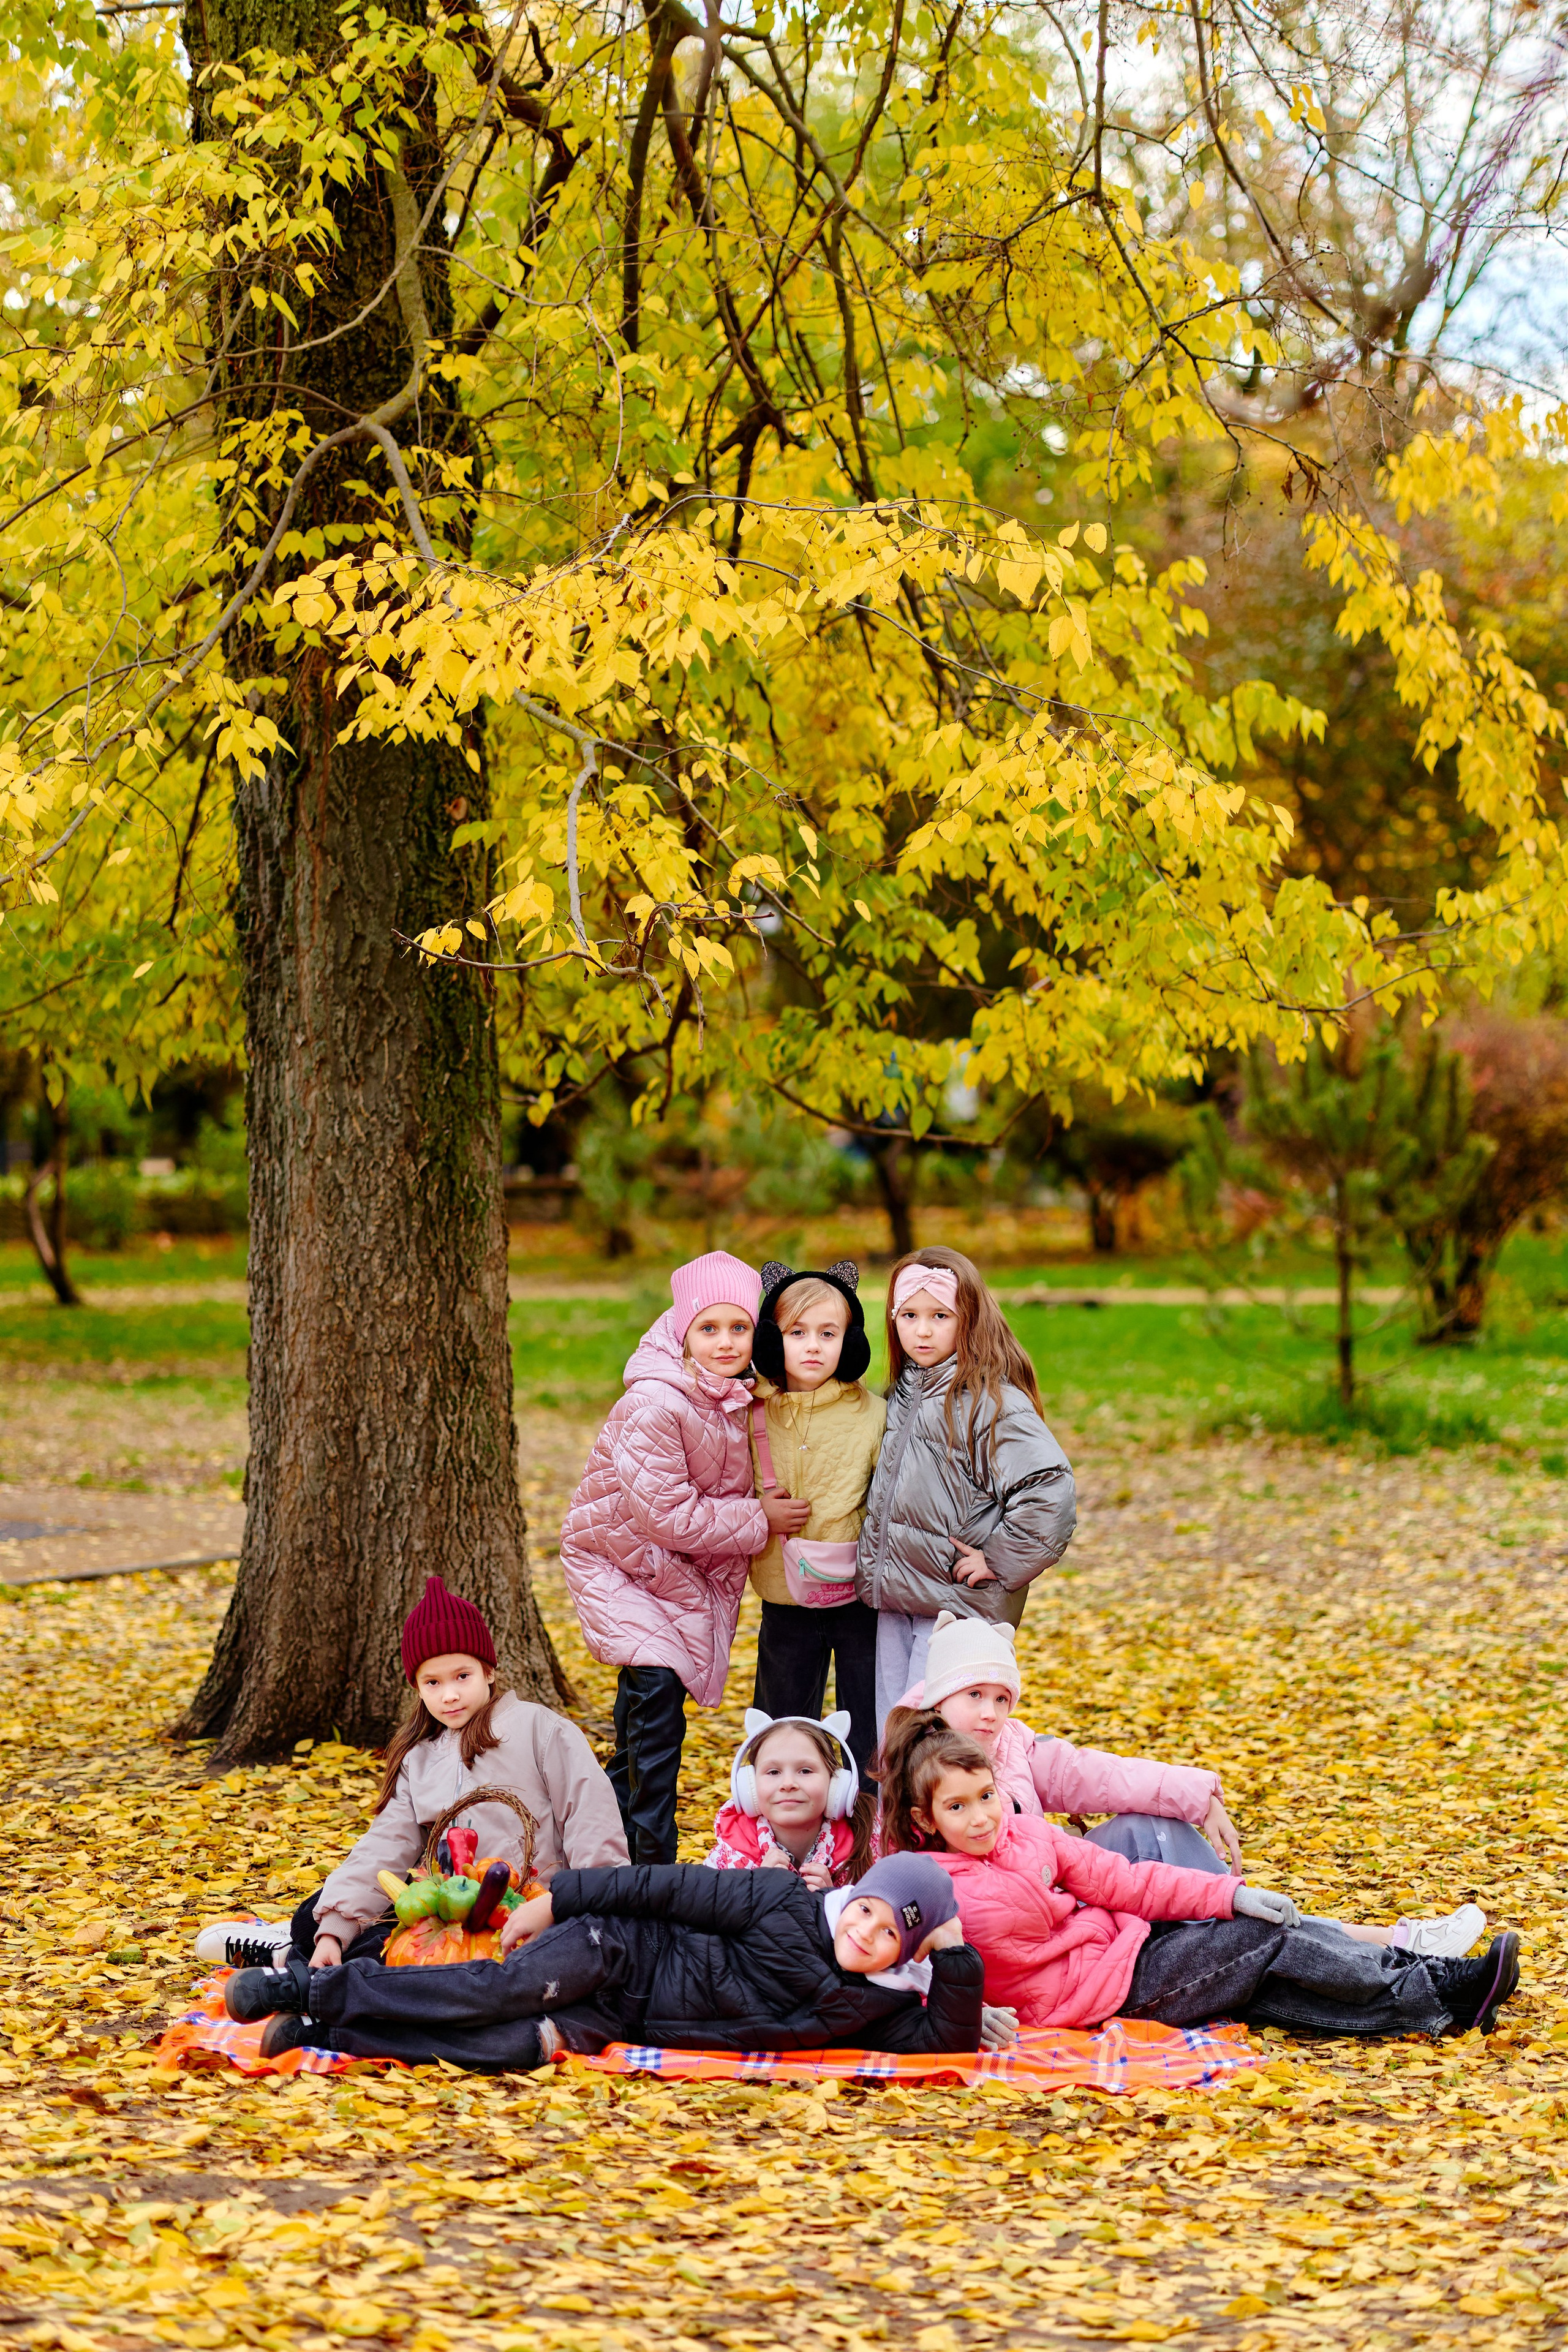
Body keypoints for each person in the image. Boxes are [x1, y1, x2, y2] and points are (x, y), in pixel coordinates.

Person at [878, 1716, 1521, 2043]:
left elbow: (1125, 1881)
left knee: (1262, 1979)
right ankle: (1440, 1981)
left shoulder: (1029, 1833)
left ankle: (1446, 2007)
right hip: (1102, 1999)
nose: (982, 1816)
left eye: (986, 1796)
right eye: (957, 1807)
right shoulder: (921, 1881)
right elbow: (882, 1966)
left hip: (1128, 1950)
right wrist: (963, 2010)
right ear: (923, 1818)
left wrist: (1229, 1891)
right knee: (1252, 1944)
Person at [895, 1612, 1485, 1959]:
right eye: (975, 1695)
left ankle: (1357, 1938)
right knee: (1198, 1889)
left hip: (1055, 1884)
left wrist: (1201, 1796)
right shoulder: (909, 1768)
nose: (991, 1712)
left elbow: (1104, 1775)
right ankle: (1368, 1943)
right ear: (940, 1694)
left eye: (1002, 1698)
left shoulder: (1013, 1746)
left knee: (1153, 1827)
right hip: (1016, 1928)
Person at [195, 1575, 627, 1971]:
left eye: (463, 1675)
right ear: (416, 1687)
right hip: (447, 1914)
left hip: (531, 1905)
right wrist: (334, 1929)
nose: (450, 1694)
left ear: (489, 1671)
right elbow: (389, 1841)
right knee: (322, 1917)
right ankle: (297, 1952)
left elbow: (590, 1817)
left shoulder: (541, 1731)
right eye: (433, 1683)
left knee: (477, 1969)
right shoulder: (420, 1758)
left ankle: (292, 1965)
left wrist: (579, 1903)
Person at [221, 1853, 985, 2070]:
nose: (865, 1933)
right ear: (849, 1897)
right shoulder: (782, 1901)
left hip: (619, 2018)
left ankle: (326, 2035)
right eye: (866, 1910)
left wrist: (952, 1956)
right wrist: (563, 1899)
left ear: (905, 1955)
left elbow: (944, 2042)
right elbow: (670, 1887)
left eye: (888, 1934)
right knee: (503, 1989)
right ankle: (308, 1985)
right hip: (620, 1951)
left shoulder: (879, 2008)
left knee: (516, 2046)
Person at [559, 1252, 798, 1865]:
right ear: (681, 1332)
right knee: (655, 1701)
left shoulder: (742, 1398)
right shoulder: (656, 1404)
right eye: (708, 1329)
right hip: (621, 1564)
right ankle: (650, 1869)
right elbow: (665, 1515)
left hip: (671, 1571)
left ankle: (599, 1856)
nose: (724, 1343)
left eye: (739, 1328)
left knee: (644, 1724)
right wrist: (759, 1521)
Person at [858, 1246, 1076, 1727]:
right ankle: (898, 1806)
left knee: (937, 1732)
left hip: (954, 1608)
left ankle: (954, 1804)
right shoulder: (906, 1393)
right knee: (893, 1725)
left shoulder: (989, 1401)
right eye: (909, 1316)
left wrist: (998, 1559)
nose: (923, 1330)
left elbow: (1049, 1490)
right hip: (900, 1599)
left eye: (940, 1316)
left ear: (968, 1320)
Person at [747, 1261, 886, 1775]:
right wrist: (758, 1514)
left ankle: (870, 1829)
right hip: (784, 1596)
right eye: (797, 1333)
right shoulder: (752, 1412)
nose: (812, 1346)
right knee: (783, 1722)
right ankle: (780, 1832)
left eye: (828, 1334)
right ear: (770, 1339)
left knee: (869, 1723)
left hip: (860, 1597)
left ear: (849, 1342)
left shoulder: (874, 1414)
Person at [704, 1710, 876, 1888]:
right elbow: (705, 1912)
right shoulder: (730, 1857)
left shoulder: (867, 1848)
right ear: (750, 1786)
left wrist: (833, 1901)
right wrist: (754, 1891)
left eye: (805, 1771)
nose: (788, 1784)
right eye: (773, 1772)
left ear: (836, 1783)